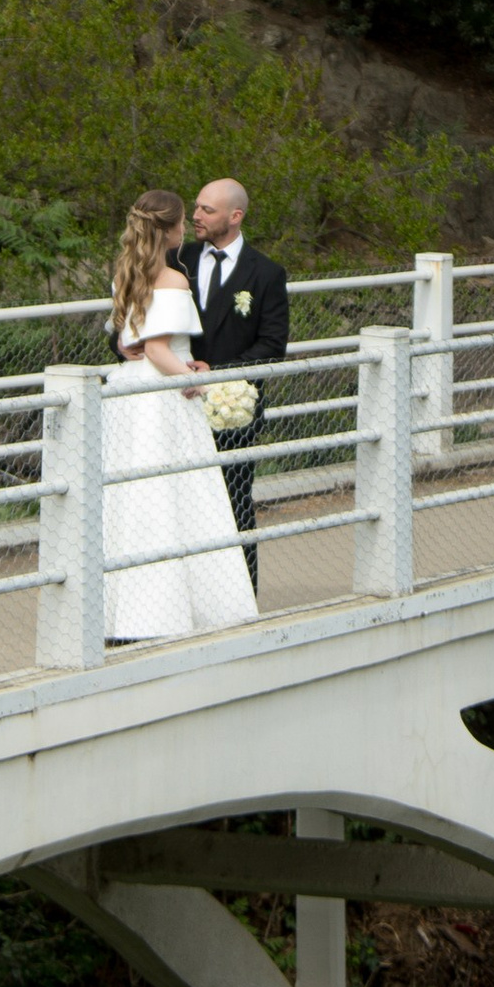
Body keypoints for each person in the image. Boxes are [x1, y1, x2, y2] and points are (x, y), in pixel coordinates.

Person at [102, 188, 259, 643]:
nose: (188, 224)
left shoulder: (126, 272)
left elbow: (130, 341)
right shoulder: (172, 279)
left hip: (129, 395)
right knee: (176, 496)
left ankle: (122, 613)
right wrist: (194, 380)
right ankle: (167, 614)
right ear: (169, 230)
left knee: (136, 499)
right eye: (182, 220)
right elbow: (155, 350)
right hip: (160, 397)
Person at [178, 179, 289, 592]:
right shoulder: (178, 260)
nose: (196, 216)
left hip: (232, 405)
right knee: (180, 499)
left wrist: (218, 375)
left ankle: (240, 594)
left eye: (207, 209)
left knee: (234, 498)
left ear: (235, 216)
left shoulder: (266, 273)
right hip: (175, 401)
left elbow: (272, 345)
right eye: (197, 207)